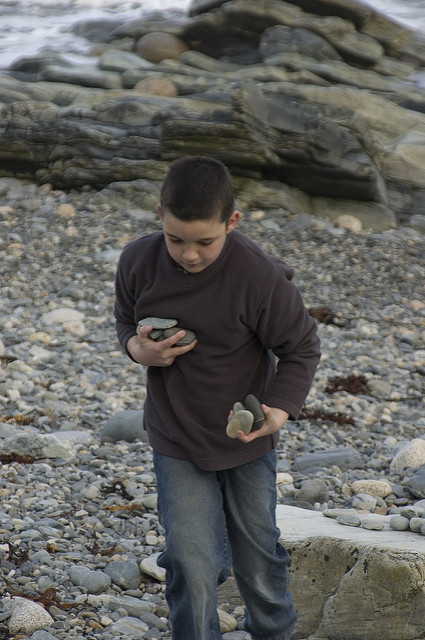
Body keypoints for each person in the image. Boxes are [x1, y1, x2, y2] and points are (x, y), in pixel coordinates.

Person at [114, 156, 321, 640]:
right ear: (159, 212)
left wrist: (280, 410)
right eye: (176, 239)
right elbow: (126, 321)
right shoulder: (137, 261)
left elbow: (302, 346)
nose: (189, 254)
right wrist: (137, 348)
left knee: (259, 556)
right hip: (175, 435)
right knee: (189, 558)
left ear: (232, 221)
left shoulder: (258, 277)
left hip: (246, 438)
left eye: (205, 241)